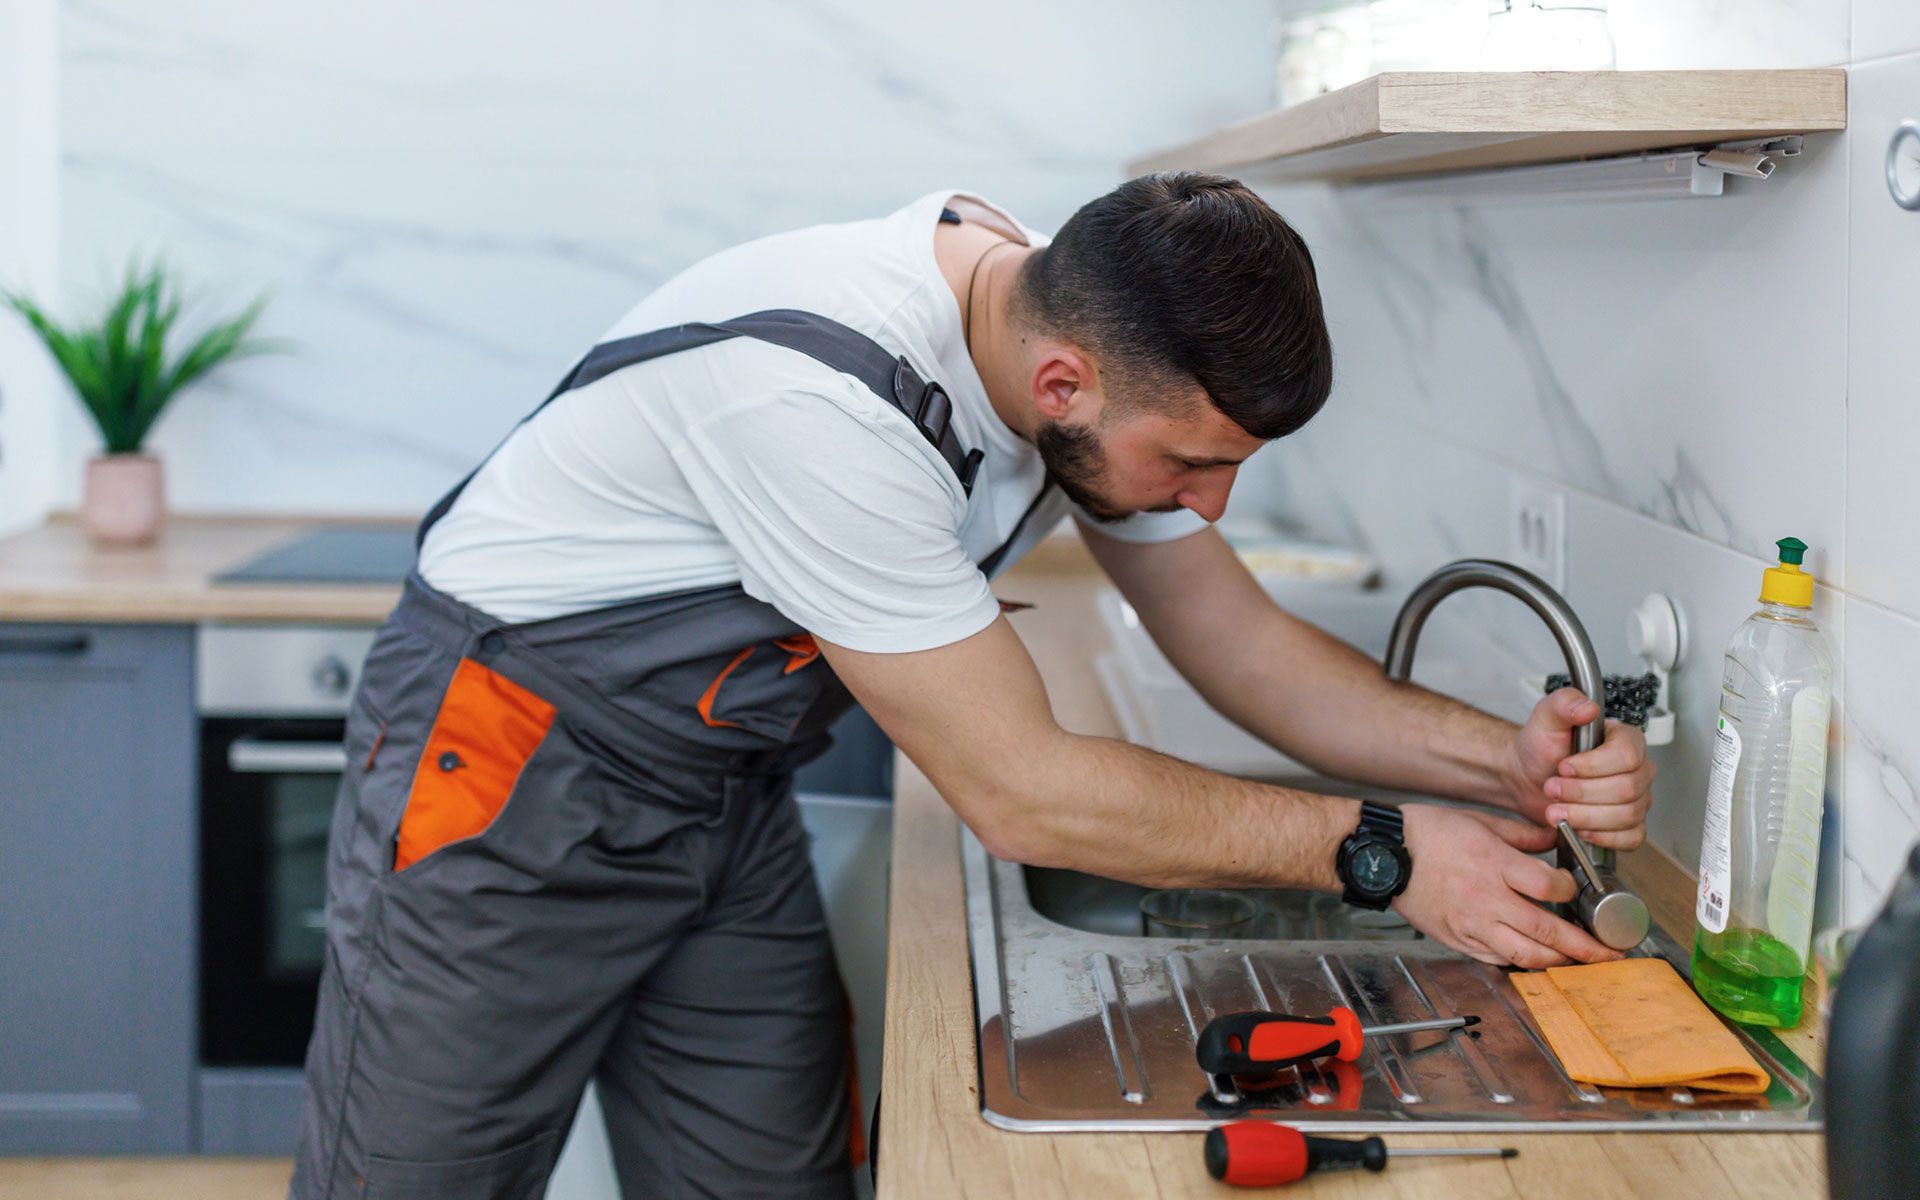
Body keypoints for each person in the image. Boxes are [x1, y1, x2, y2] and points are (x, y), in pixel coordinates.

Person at [291, 172, 1654, 1200]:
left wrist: (1501, 764)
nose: (1212, 501)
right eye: (1192, 463)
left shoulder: (1056, 329)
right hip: (516, 767)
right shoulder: (821, 399)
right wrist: (1382, 850)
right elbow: (1023, 793)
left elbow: (1234, 641)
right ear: (1061, 383)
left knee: (768, 1181)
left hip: (719, 789)